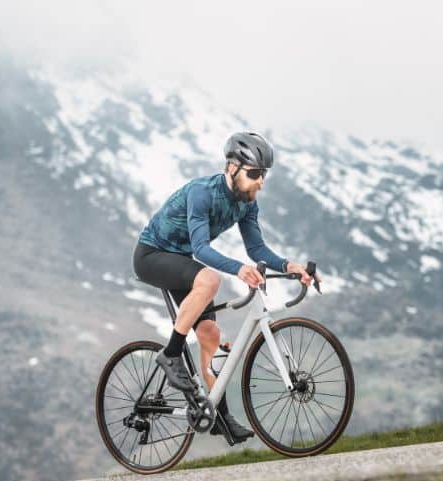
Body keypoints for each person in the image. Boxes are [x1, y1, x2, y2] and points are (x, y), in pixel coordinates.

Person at [132, 131, 318, 444]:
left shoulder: (247, 204)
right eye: (255, 174)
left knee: (211, 338)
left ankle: (219, 416)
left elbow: (257, 249)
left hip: (180, 261)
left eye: (264, 176)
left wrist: (289, 266)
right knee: (211, 278)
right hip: (152, 255)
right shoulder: (202, 193)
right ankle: (171, 353)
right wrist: (239, 270)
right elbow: (201, 249)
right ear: (232, 168)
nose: (260, 182)